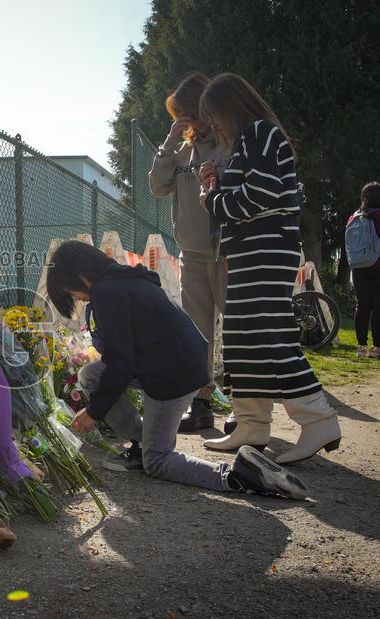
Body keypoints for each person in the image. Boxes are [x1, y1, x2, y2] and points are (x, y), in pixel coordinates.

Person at [47, 240, 307, 499]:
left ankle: (238, 475)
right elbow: (121, 356)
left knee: (157, 462)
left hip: (172, 375)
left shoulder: (107, 292)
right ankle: (142, 443)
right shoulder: (125, 280)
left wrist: (94, 412)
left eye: (71, 292)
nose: (78, 298)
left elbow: (121, 363)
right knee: (91, 374)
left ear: (79, 274)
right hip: (180, 363)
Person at [197, 73, 341, 464]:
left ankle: (318, 419)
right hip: (252, 251)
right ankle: (251, 423)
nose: (212, 124)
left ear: (231, 106)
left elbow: (256, 197)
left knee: (268, 332)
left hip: (266, 249)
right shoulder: (250, 140)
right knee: (243, 335)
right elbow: (248, 193)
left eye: (214, 115)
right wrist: (217, 182)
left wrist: (212, 199)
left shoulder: (260, 133)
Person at [148, 72, 230, 434]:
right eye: (177, 115)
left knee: (238, 327)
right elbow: (157, 186)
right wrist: (169, 138)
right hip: (192, 253)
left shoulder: (229, 142)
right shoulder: (180, 150)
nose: (183, 120)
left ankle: (245, 405)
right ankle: (202, 404)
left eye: (187, 112)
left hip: (228, 251)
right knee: (198, 332)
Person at [347, 182, 380, 357]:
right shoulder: (377, 217)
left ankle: (361, 347)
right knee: (377, 306)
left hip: (358, 266)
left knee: (362, 305)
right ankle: (376, 347)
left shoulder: (354, 217)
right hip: (377, 265)